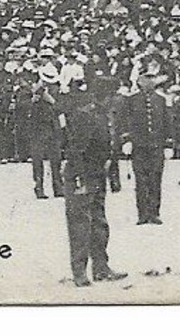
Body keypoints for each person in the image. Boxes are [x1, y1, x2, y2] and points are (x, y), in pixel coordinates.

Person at [61, 74, 126, 287]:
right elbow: (75, 150)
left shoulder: (107, 115)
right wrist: (79, 180)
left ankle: (101, 268)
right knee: (81, 226)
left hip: (98, 175)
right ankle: (79, 272)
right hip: (81, 176)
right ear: (105, 97)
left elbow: (109, 148)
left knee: (99, 224)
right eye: (113, 95)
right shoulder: (85, 116)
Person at [117, 65, 171, 225]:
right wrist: (126, 141)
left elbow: (167, 122)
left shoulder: (161, 100)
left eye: (151, 78)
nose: (148, 81)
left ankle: (154, 212)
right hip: (139, 145)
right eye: (145, 78)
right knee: (140, 180)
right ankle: (142, 213)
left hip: (156, 145)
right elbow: (125, 122)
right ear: (139, 81)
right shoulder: (131, 100)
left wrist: (168, 143)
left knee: (155, 178)